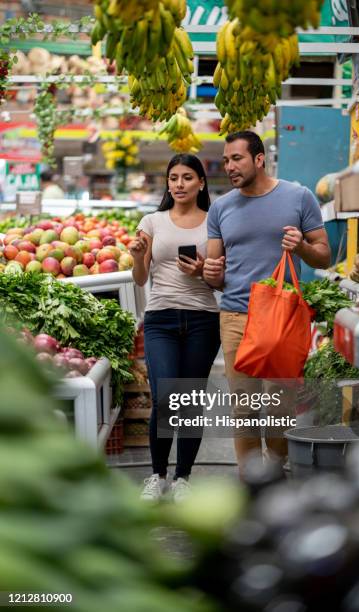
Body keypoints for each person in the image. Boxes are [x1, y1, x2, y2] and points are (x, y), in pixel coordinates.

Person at [203, 130, 331, 474]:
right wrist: (209, 271)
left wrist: (301, 247)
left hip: (281, 318)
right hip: (235, 316)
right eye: (226, 159)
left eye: (237, 158)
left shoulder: (298, 197)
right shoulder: (221, 207)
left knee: (279, 405)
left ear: (259, 159)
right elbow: (214, 273)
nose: (229, 166)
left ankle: (274, 469)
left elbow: (324, 257)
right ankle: (251, 479)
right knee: (243, 406)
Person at [130, 154, 220, 502]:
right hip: (160, 319)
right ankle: (157, 475)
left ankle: (183, 477)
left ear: (201, 182)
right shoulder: (151, 221)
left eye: (186, 177)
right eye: (173, 178)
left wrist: (202, 272)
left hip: (202, 318)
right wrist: (139, 256)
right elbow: (140, 279)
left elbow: (221, 281)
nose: (178, 184)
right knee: (165, 397)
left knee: (190, 399)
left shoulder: (215, 222)